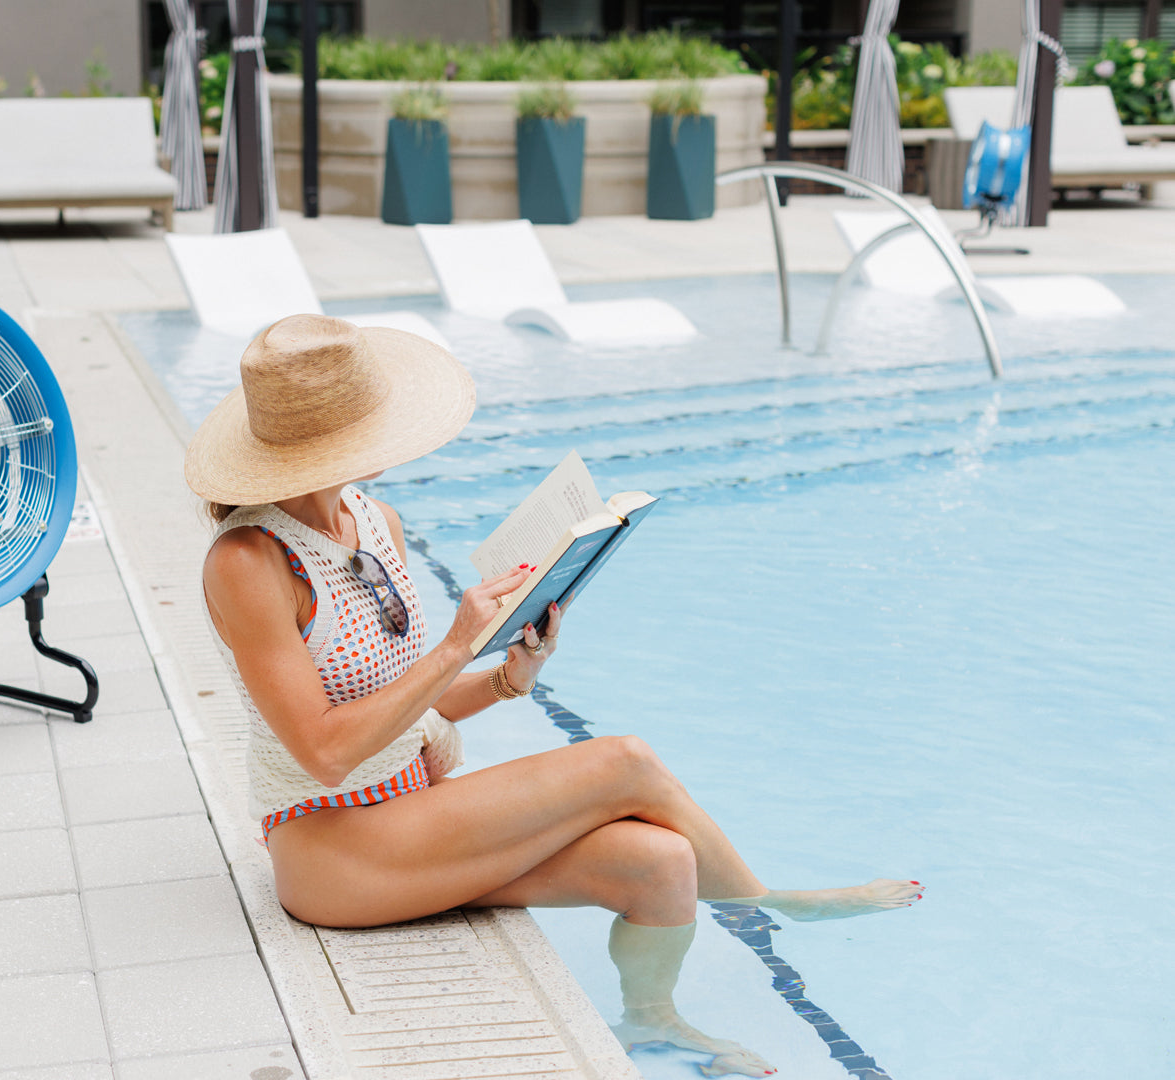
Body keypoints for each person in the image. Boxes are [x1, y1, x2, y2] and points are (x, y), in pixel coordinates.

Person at [187, 315, 921, 1078]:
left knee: (662, 862)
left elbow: (404, 714)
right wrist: (455, 647)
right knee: (624, 762)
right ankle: (768, 904)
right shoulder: (248, 560)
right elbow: (328, 751)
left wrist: (508, 679)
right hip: (333, 842)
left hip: (412, 814)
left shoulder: (376, 522)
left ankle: (652, 1025)